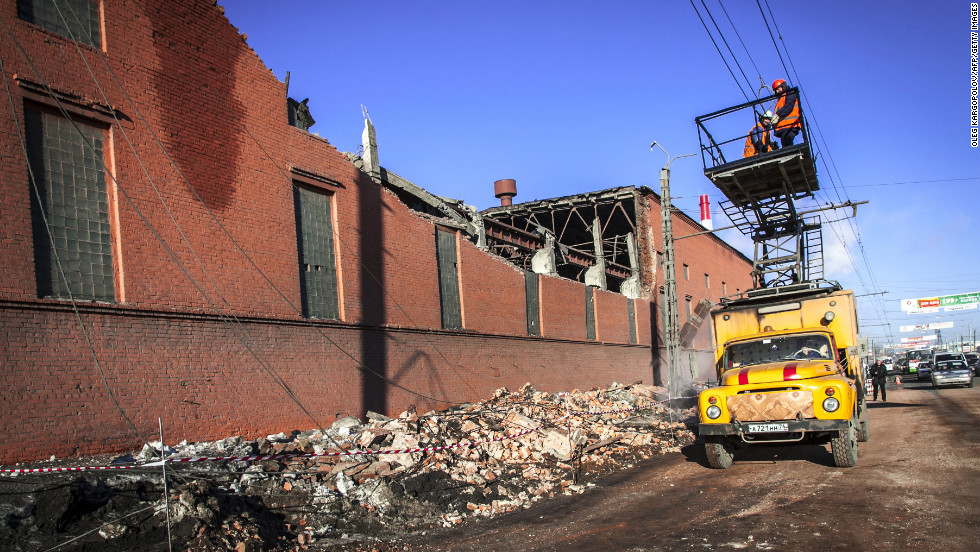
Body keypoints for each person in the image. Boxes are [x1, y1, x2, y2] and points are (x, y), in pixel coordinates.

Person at [770, 79, 802, 148]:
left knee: (787, 141)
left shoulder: (790, 93)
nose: (777, 91)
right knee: (785, 144)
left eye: (778, 89)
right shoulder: (781, 99)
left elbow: (788, 107)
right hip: (784, 128)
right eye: (776, 90)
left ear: (783, 86)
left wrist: (778, 115)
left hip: (790, 125)